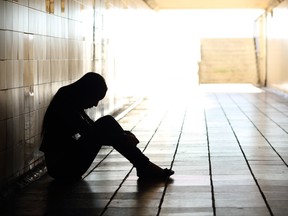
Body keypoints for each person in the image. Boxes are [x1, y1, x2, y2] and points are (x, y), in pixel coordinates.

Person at [40, 72, 174, 181]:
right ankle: (144, 165)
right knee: (107, 122)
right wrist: (124, 138)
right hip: (62, 168)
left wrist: (124, 134)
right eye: (95, 98)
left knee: (107, 122)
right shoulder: (66, 102)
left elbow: (92, 129)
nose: (96, 104)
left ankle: (143, 165)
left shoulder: (70, 97)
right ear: (87, 92)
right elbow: (90, 132)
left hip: (66, 164)